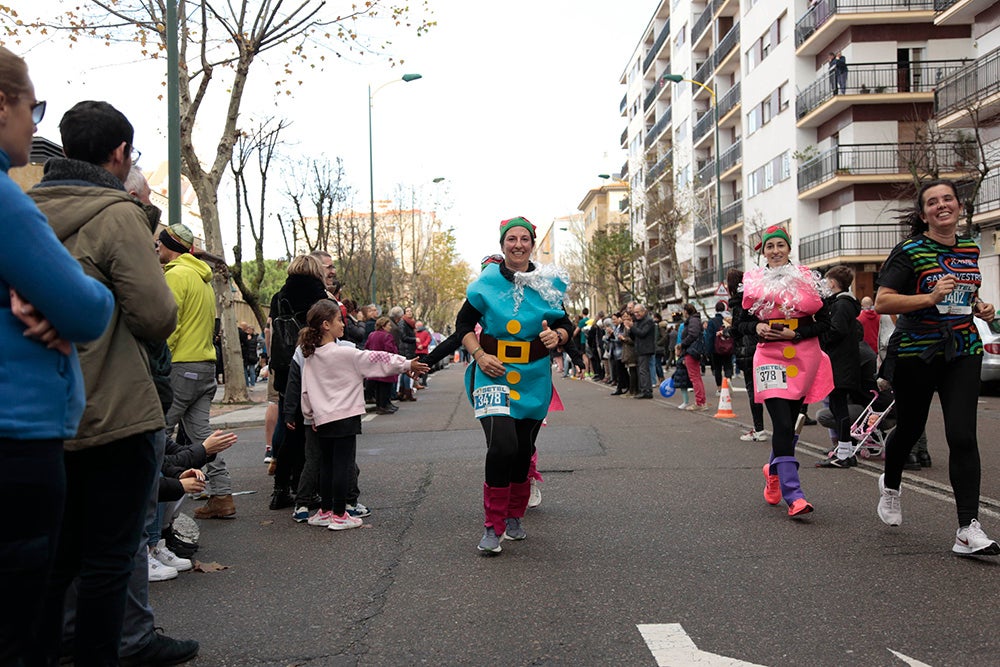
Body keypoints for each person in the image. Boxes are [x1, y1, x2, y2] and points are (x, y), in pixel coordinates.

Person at [29, 99, 179, 665]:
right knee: (111, 557)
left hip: (44, 412)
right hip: (115, 410)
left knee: (55, 557)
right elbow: (155, 315)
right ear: (119, 153)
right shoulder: (118, 214)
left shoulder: (23, 211)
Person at [0, 49, 116, 664]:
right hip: (19, 437)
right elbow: (87, 309)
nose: (34, 124)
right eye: (31, 107)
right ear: (2, 105)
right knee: (24, 626)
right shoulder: (6, 201)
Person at [874, 179, 999, 556]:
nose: (942, 205)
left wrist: (980, 306)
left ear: (959, 206)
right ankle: (891, 483)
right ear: (923, 212)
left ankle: (967, 529)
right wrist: (929, 296)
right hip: (918, 352)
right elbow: (882, 302)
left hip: (963, 349)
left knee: (962, 436)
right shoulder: (910, 250)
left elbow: (964, 292)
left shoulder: (969, 248)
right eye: (933, 202)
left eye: (948, 199)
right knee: (910, 429)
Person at [451, 217, 574, 554]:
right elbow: (463, 324)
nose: (518, 245)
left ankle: (515, 515)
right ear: (502, 244)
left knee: (522, 452)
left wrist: (558, 335)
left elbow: (566, 324)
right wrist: (478, 355)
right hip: (493, 373)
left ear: (532, 244)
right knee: (502, 446)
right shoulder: (486, 282)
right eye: (511, 239)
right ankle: (493, 525)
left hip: (534, 376)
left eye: (524, 239)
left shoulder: (548, 283)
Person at [299, 300, 428, 530]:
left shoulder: (311, 355)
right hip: (346, 415)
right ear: (326, 325)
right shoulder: (345, 353)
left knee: (326, 465)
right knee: (342, 465)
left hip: (322, 418)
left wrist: (310, 415)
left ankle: (326, 510)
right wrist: (406, 363)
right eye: (340, 320)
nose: (343, 324)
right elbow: (377, 360)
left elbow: (305, 390)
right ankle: (340, 514)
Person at [739, 225, 833, 518]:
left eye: (781, 245)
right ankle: (795, 495)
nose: (776, 251)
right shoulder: (752, 282)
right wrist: (756, 326)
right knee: (781, 424)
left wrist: (797, 334)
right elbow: (739, 324)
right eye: (770, 247)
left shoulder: (808, 279)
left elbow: (826, 323)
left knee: (791, 424)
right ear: (763, 252)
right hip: (769, 357)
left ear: (789, 248)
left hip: (803, 357)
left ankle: (774, 470)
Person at [156, 221, 232, 520]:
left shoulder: (176, 276)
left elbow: (167, 325)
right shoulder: (202, 279)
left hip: (179, 367)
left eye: (160, 243)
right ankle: (222, 495)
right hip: (204, 367)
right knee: (204, 440)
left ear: (170, 246)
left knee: (156, 437)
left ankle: (157, 519)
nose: (157, 247)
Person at [816, 265, 863, 468]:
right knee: (837, 406)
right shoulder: (844, 303)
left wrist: (819, 336)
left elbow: (836, 331)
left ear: (833, 283)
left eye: (827, 281)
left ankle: (844, 453)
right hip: (843, 362)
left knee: (839, 408)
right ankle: (845, 450)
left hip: (839, 364)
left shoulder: (842, 305)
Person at [728, 268, 767, 441]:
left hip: (746, 350)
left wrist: (726, 332)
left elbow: (737, 328)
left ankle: (759, 429)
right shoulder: (753, 300)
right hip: (760, 347)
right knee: (768, 389)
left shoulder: (738, 304)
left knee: (754, 390)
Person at [365, 316, 401, 415]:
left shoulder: (371, 335)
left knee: (378, 386)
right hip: (385, 364)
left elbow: (367, 346)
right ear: (384, 326)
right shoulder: (387, 336)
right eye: (389, 325)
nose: (390, 327)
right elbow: (390, 349)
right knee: (385, 386)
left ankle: (380, 406)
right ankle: (384, 406)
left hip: (374, 364)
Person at [678, 303, 708, 410]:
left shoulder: (692, 320)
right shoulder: (695, 320)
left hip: (691, 350)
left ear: (686, 311)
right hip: (694, 350)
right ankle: (701, 401)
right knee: (696, 377)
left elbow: (693, 334)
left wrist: (683, 344)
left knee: (694, 377)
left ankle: (700, 402)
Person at [629, 303, 655, 398]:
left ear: (643, 311)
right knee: (642, 370)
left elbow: (642, 333)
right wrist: (630, 329)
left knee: (643, 370)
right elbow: (634, 336)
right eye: (635, 312)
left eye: (638, 312)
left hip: (645, 349)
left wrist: (632, 327)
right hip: (639, 348)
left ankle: (646, 391)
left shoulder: (648, 321)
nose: (636, 314)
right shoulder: (637, 321)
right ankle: (644, 389)